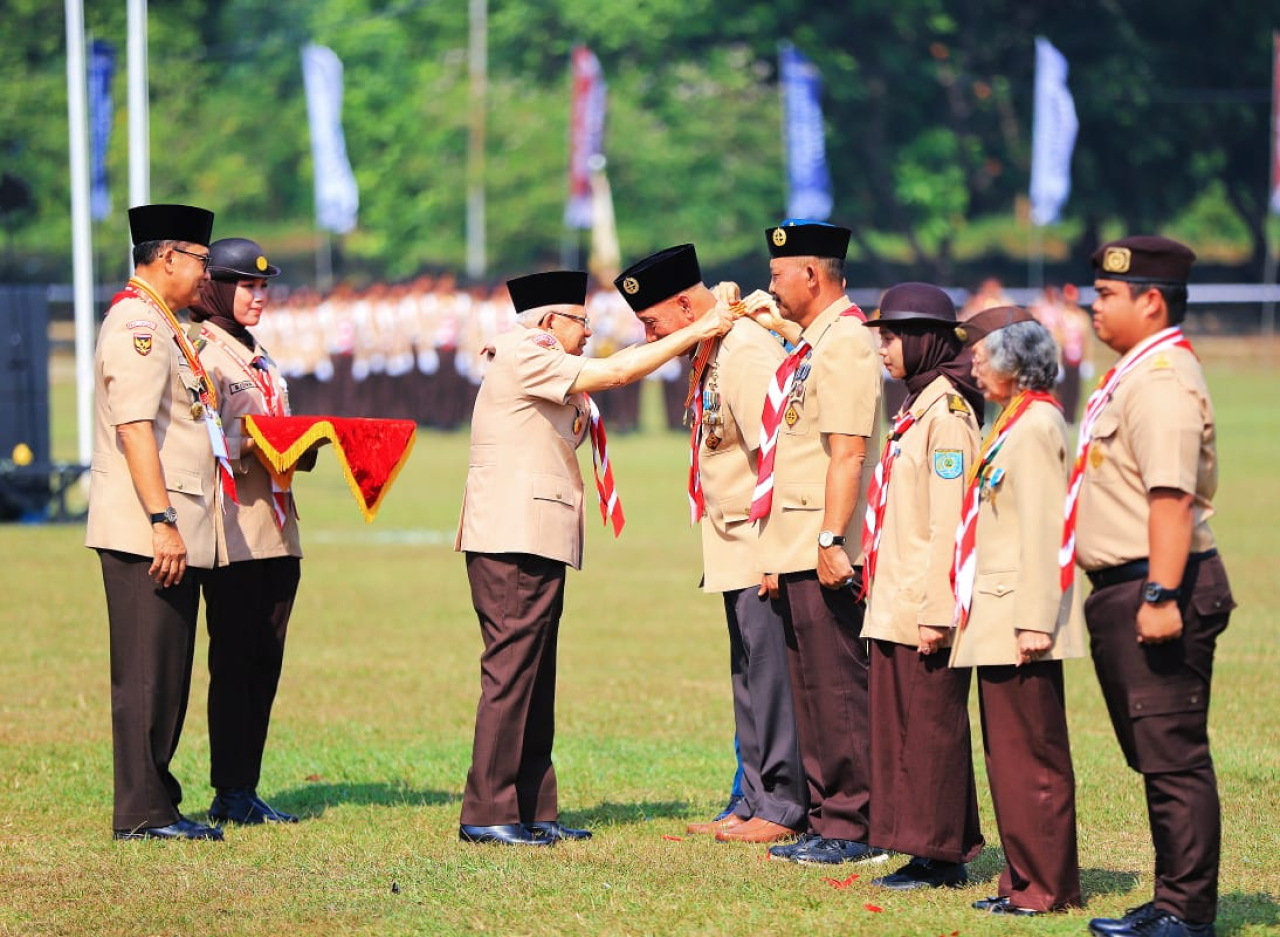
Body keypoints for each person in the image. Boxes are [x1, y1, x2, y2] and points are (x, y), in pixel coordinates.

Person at [456, 269, 734, 846]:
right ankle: (488, 811)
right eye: (580, 322)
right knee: (511, 672)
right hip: (513, 535)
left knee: (534, 670)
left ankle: (532, 807)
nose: (588, 332)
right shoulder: (528, 352)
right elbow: (617, 371)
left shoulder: (532, 356)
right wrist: (699, 329)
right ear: (549, 322)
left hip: (534, 533)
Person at [1067, 236, 1234, 937]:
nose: (1093, 305)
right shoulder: (1135, 374)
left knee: (1174, 756)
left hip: (1156, 585)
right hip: (1127, 585)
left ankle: (1187, 914)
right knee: (1156, 756)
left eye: (1107, 294)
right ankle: (1171, 900)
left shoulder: (1160, 380)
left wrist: (1161, 596)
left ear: (1151, 300)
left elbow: (1170, 499)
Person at [612, 244, 806, 845]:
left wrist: (777, 549)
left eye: (653, 323)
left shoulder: (743, 348)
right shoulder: (712, 347)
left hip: (758, 538)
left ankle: (780, 807)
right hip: (730, 537)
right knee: (747, 673)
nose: (651, 336)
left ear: (684, 302)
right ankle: (750, 799)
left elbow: (777, 450)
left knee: (771, 677)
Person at [85, 203, 227, 841]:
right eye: (201, 259)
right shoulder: (138, 325)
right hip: (150, 528)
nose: (207, 273)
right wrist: (162, 519)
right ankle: (141, 810)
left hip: (170, 525)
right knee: (148, 672)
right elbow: (135, 428)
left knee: (166, 669)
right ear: (167, 256)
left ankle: (157, 802)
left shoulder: (165, 323)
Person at [749, 221, 885, 866]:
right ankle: (829, 816)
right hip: (796, 539)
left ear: (812, 275)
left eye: (779, 274)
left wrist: (832, 539)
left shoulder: (847, 341)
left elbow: (847, 451)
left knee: (837, 688)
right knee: (811, 686)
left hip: (823, 541)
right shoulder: (812, 343)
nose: (771, 285)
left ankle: (853, 824)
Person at [949, 306, 1085, 915]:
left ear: (1014, 360)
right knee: (1007, 755)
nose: (972, 361)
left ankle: (1045, 886)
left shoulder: (1034, 428)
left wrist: (1035, 618)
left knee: (1031, 756)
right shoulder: (1015, 421)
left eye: (980, 350)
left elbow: (1043, 531)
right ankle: (1022, 875)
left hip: (1019, 618)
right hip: (999, 613)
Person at [861, 282, 985, 889]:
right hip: (894, 599)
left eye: (889, 337)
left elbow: (953, 524)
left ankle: (939, 855)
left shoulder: (949, 418)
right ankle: (923, 843)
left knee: (931, 729)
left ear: (922, 339)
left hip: (922, 606)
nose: (882, 349)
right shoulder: (917, 407)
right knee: (902, 727)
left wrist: (940, 612)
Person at [189, 237, 306, 825]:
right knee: (235, 662)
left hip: (278, 530)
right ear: (217, 288)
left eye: (264, 287)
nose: (259, 297)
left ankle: (245, 786)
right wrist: (264, 444)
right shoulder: (201, 353)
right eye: (247, 286)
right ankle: (229, 791)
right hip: (232, 531)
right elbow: (197, 440)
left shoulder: (254, 351)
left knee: (266, 661)